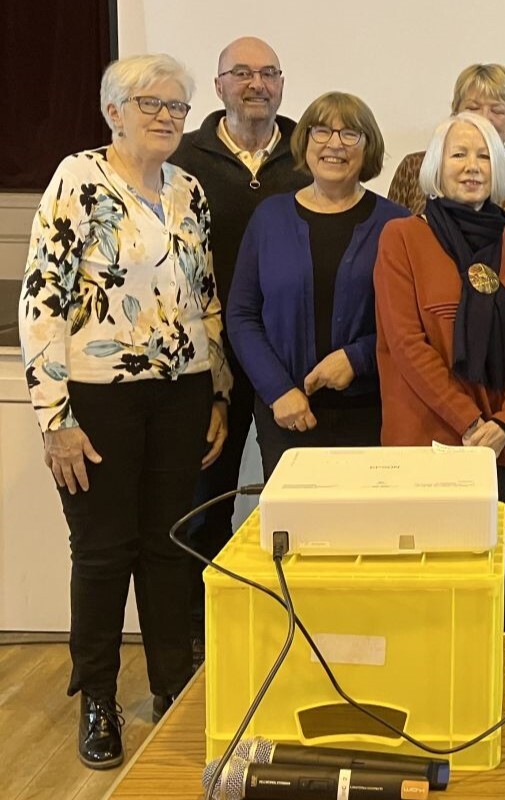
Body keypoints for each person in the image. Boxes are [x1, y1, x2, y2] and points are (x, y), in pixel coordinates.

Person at [18, 53, 232, 769]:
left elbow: (207, 299)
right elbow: (42, 297)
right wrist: (55, 418)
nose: (168, 116)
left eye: (178, 106)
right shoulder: (77, 179)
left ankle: (173, 686)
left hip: (182, 393)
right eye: (152, 104)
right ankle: (100, 699)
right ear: (114, 111)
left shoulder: (190, 191)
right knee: (105, 553)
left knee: (170, 543)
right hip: (97, 398)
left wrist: (220, 390)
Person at [168, 36, 308, 663]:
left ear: (283, 83)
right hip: (209, 364)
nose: (258, 83)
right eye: (242, 73)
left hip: (290, 365)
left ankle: (292, 640)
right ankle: (199, 644)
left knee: (300, 514)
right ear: (219, 84)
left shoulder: (309, 152)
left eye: (269, 73)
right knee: (204, 505)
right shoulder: (182, 156)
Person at [227, 92, 409, 479]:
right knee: (295, 535)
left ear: (369, 147)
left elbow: (413, 324)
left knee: (366, 531)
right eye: (322, 131)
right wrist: (278, 390)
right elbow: (242, 315)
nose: (334, 144)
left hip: (372, 411)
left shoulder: (398, 226)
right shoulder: (269, 218)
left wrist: (357, 359)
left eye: (350, 134)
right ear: (305, 141)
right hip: (288, 414)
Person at [374, 113, 505, 505]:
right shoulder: (402, 237)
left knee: (482, 563)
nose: (472, 167)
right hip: (423, 443)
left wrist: (503, 424)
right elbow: (405, 343)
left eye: (484, 156)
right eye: (459, 155)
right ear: (436, 165)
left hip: (497, 446)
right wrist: (469, 420)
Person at [387, 64, 505, 291]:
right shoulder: (413, 168)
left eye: (497, 110)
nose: (484, 119)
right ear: (455, 113)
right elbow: (393, 257)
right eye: (473, 108)